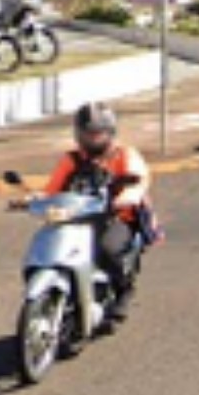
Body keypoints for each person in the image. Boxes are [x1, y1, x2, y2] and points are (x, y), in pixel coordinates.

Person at [42, 103, 152, 322]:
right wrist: (32, 201)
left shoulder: (124, 154)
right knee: (51, 243)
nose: (93, 139)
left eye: (98, 134)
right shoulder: (71, 160)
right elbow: (52, 190)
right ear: (78, 133)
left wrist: (128, 195)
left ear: (110, 133)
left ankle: (123, 290)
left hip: (116, 218)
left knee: (107, 248)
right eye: (87, 134)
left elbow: (139, 178)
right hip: (76, 219)